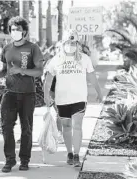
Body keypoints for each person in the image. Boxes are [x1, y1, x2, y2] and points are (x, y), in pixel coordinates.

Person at [43, 30, 103, 167]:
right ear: (63, 44)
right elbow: (48, 80)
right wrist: (46, 95)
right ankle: (69, 153)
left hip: (79, 98)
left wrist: (99, 92)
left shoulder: (84, 59)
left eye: (73, 43)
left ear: (77, 44)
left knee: (77, 126)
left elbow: (92, 77)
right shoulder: (56, 59)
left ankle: (76, 155)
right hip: (62, 100)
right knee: (66, 126)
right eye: (68, 43)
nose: (70, 45)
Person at [0, 16, 44, 173]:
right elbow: (5, 69)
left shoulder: (33, 48)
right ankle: (9, 159)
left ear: (24, 32)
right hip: (9, 93)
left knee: (26, 128)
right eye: (13, 29)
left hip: (28, 94)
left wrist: (22, 70)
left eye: (18, 29)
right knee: (6, 126)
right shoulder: (7, 48)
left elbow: (39, 71)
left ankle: (24, 160)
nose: (15, 32)